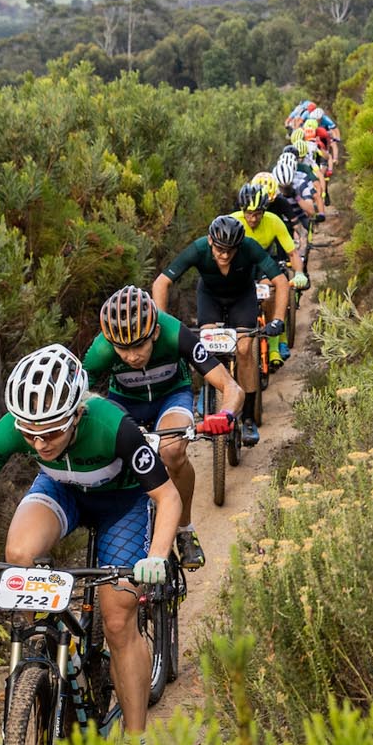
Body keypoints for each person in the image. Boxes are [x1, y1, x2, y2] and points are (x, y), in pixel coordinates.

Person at [0, 344, 184, 734]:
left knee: (117, 621)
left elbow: (167, 496)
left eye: (52, 431)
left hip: (122, 504)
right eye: (29, 434)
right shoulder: (15, 427)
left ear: (78, 413)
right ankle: (38, 650)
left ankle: (135, 740)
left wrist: (158, 556)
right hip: (62, 491)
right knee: (18, 552)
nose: (41, 444)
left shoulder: (114, 426)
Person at [82, 285, 242, 564]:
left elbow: (229, 386)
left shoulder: (173, 332)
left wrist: (225, 415)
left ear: (154, 333)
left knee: (172, 451)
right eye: (122, 348)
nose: (132, 356)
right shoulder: (102, 348)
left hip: (171, 396)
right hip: (125, 403)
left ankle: (184, 528)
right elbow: (74, 395)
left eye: (139, 345)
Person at [152, 215, 288, 446]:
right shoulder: (198, 249)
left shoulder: (249, 247)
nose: (224, 256)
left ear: (239, 246)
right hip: (210, 298)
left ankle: (247, 418)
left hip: (242, 297)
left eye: (230, 251)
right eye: (219, 249)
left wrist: (278, 319)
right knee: (208, 347)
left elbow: (281, 281)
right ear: (210, 241)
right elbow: (160, 283)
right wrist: (161, 324)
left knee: (245, 349)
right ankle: (212, 386)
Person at [233, 180, 309, 365]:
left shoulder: (273, 222)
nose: (253, 219)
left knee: (269, 295)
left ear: (264, 210)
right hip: (240, 266)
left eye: (258, 214)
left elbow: (292, 252)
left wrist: (299, 272)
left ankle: (274, 346)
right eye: (249, 214)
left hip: (263, 264)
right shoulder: (233, 220)